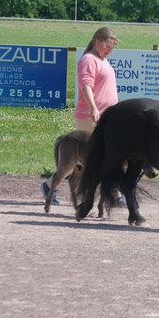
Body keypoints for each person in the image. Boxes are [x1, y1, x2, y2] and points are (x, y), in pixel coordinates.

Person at [41, 27, 119, 205]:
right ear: (97, 41)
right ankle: (113, 194)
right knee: (89, 159)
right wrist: (93, 108)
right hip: (91, 117)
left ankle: (49, 185)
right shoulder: (89, 60)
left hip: (103, 117)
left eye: (112, 48)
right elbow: (86, 85)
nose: (109, 51)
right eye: (107, 47)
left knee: (89, 160)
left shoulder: (102, 60)